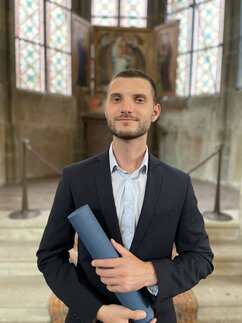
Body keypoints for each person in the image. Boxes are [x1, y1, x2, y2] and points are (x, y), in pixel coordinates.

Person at [37, 69, 213, 323]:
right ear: (107, 109)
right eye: (116, 99)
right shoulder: (75, 177)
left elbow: (201, 258)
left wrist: (150, 272)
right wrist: (97, 310)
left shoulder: (178, 183)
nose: (126, 107)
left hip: (154, 318)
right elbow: (50, 257)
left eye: (139, 99)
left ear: (155, 112)